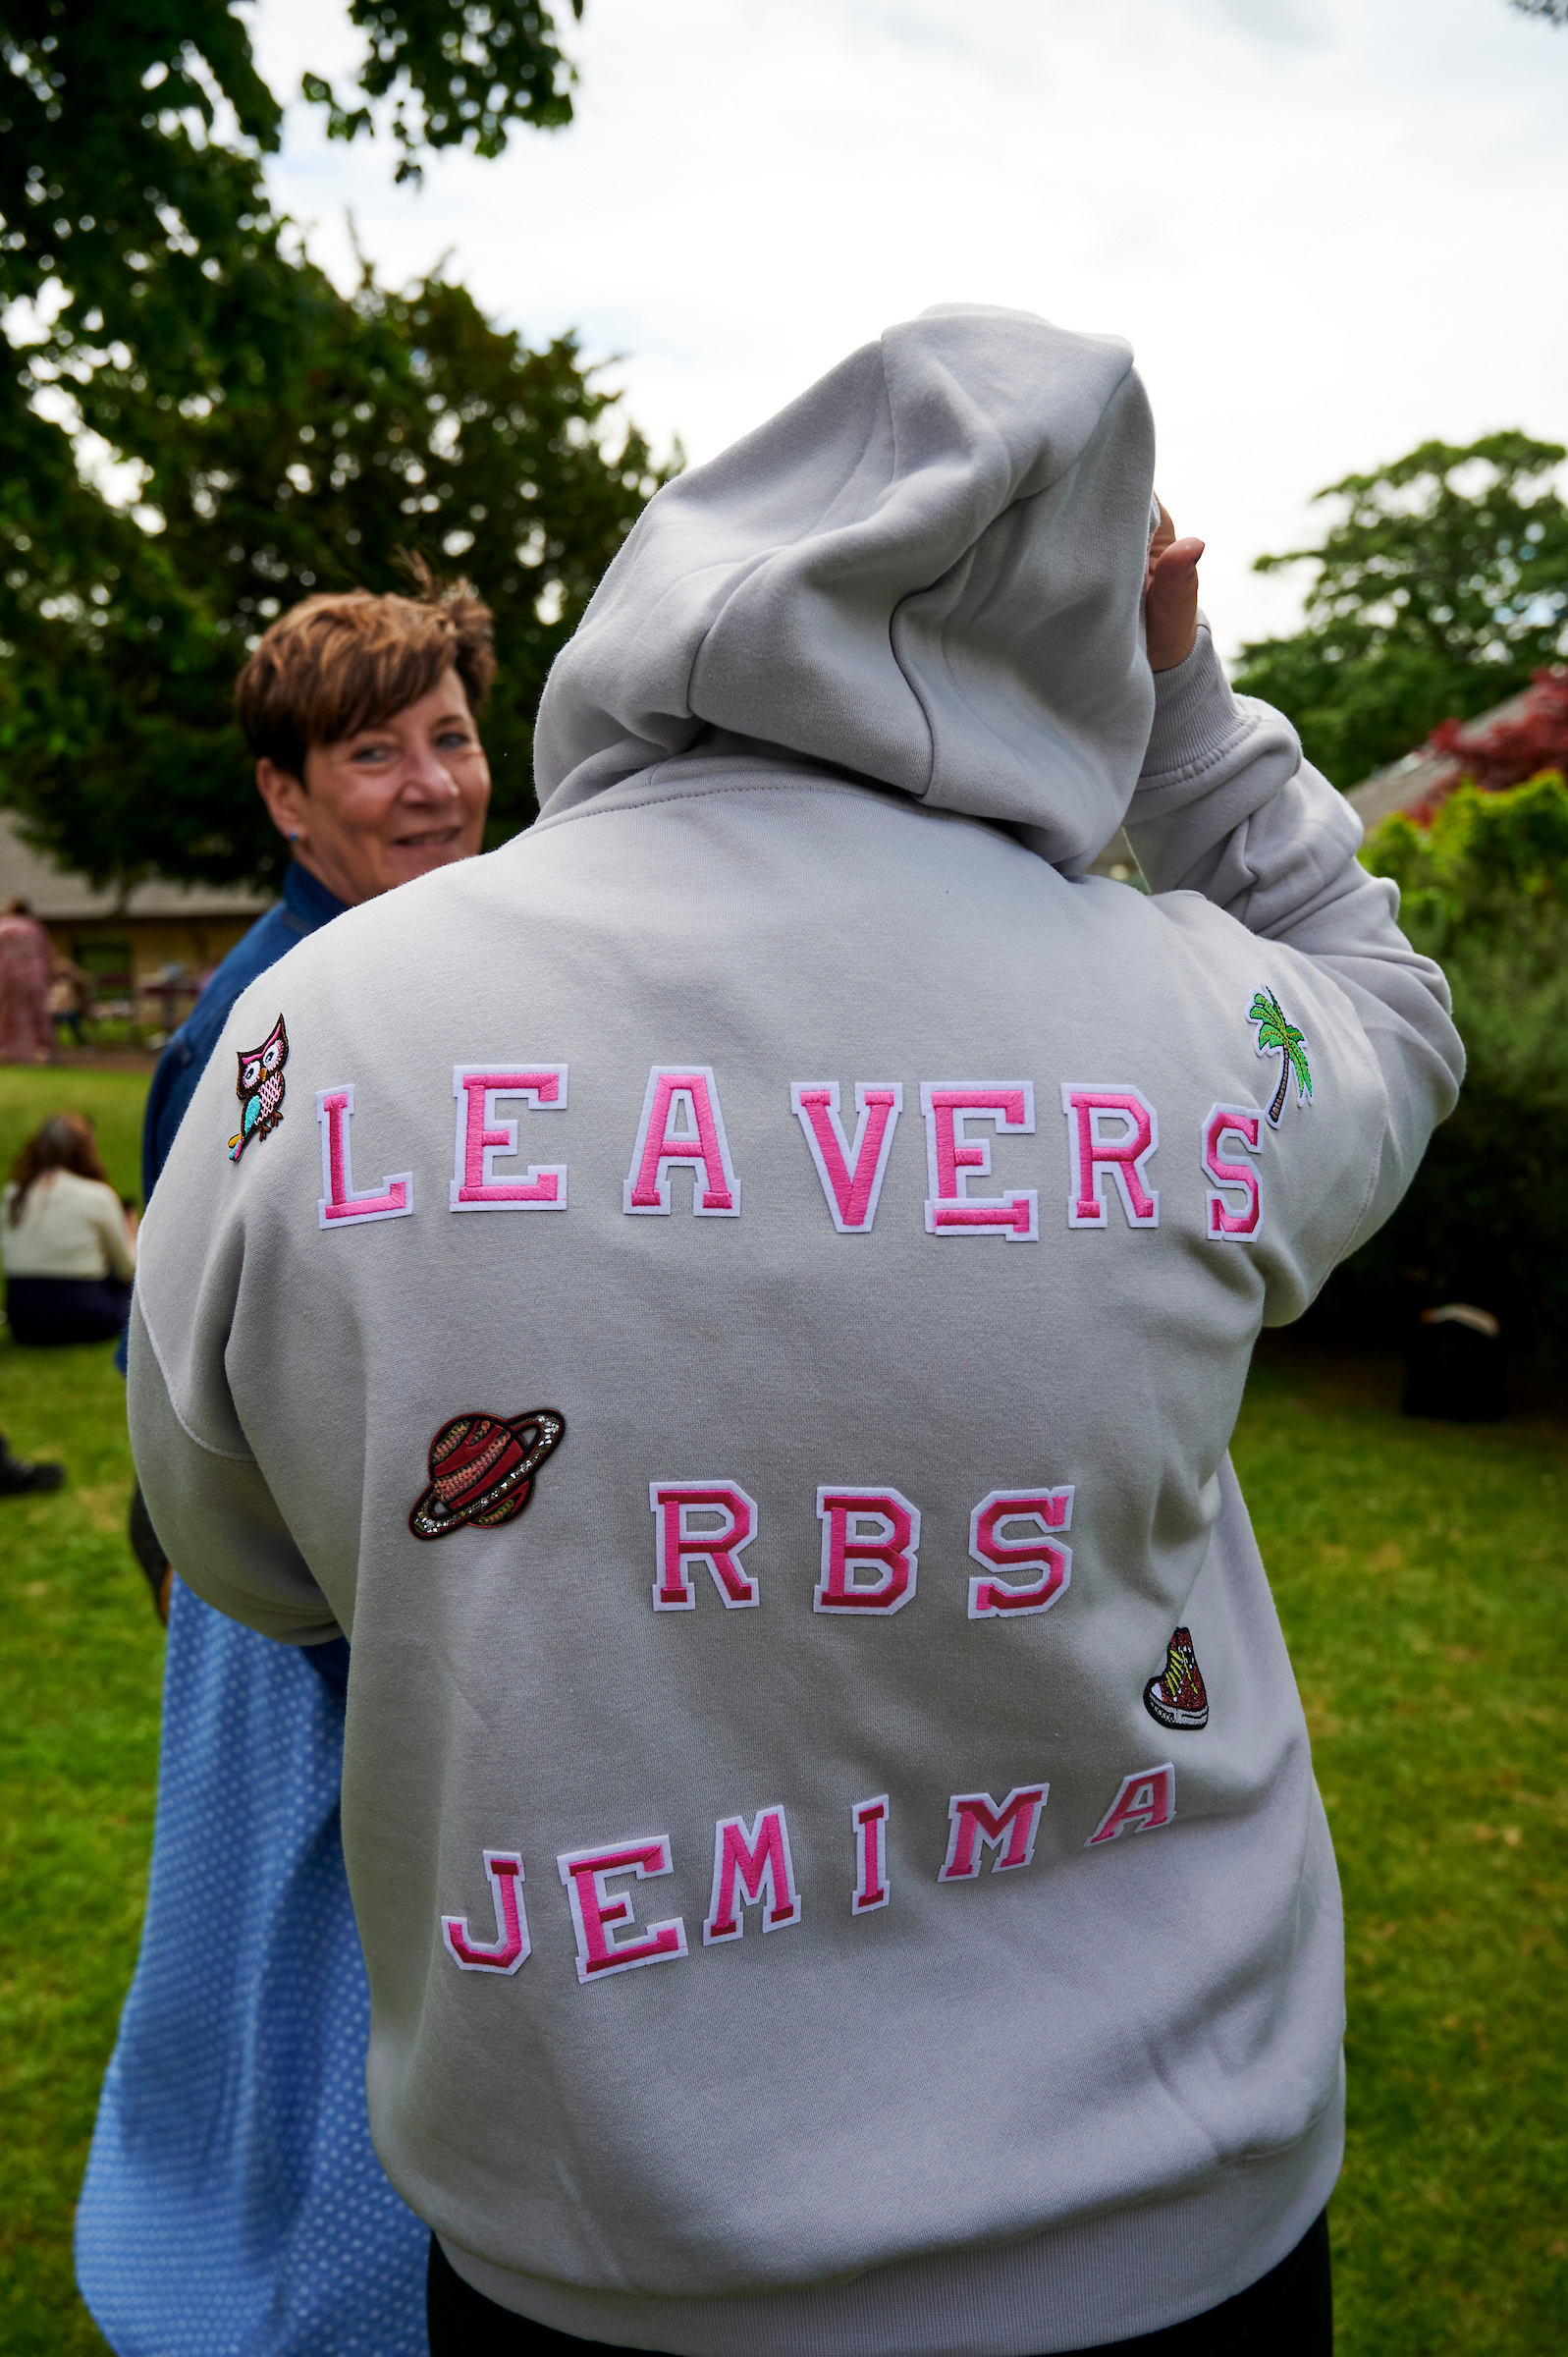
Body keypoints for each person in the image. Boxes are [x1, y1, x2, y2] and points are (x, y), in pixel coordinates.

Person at [127, 308, 1464, 2357]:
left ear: (673, 591)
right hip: (1180, 2216)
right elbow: (1382, 1006)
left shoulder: (327, 1034)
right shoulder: (1194, 1019)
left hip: (602, 2242)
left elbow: (241, 1554)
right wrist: (1186, 707)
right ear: (1089, 637)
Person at [77, 573, 495, 2357]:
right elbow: (197, 1392)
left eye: (454, 737)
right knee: (323, 1977)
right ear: (285, 796)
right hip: (314, 1606)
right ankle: (328, 2301)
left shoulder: (468, 963)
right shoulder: (246, 1031)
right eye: (372, 751)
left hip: (433, 1554)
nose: (431, 786)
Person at [3, 1114, 136, 1344]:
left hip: (23, 1318)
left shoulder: (13, 1194)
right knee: (136, 1301)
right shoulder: (96, 1195)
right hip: (81, 1314)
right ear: (86, 1150)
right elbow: (128, 1270)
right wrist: (131, 1232)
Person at [0, 893, 56, 1065]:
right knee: (36, 1015)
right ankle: (42, 1051)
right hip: (33, 978)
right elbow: (48, 955)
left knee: (5, 1015)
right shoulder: (34, 928)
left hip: (6, 978)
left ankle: (7, 1052)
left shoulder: (3, 927)